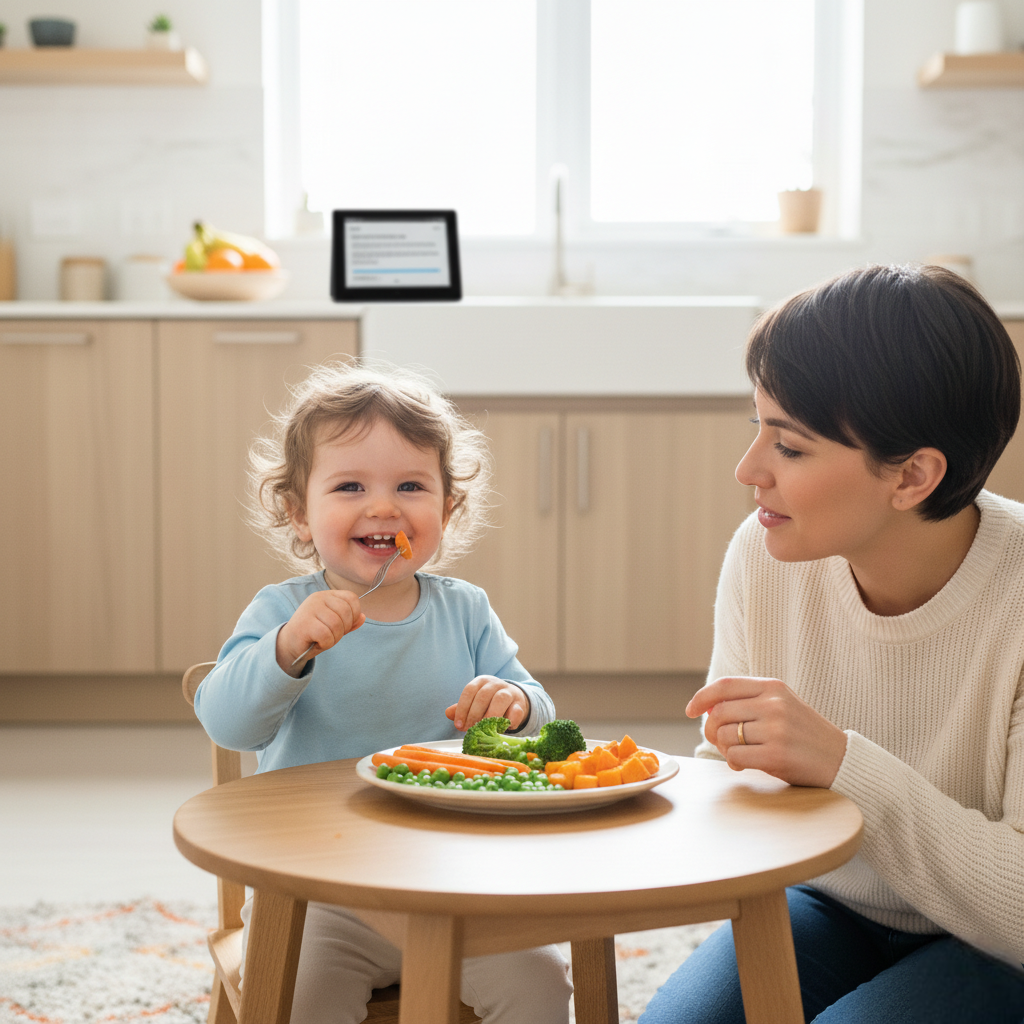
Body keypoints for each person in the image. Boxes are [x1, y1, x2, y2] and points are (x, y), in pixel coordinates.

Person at [640, 264, 1024, 1024]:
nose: (748, 472)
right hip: (825, 900)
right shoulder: (766, 552)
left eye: (789, 446)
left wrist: (847, 767)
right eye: (757, 427)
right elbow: (730, 777)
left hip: (993, 943)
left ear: (912, 475)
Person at [193, 361, 573, 1024]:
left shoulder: (467, 611)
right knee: (298, 994)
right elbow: (226, 723)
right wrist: (284, 650)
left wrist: (514, 707)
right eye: (349, 485)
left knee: (539, 980)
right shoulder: (281, 610)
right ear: (298, 513)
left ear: (448, 508)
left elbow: (539, 717)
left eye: (410, 485)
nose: (383, 506)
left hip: (458, 879)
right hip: (317, 892)